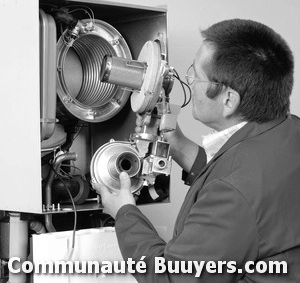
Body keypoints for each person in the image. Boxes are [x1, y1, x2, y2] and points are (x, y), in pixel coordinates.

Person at [94, 19, 300, 282]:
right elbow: (248, 190)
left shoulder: (233, 192)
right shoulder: (289, 131)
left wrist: (124, 212)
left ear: (228, 100)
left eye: (196, 75)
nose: (188, 79)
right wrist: (179, 146)